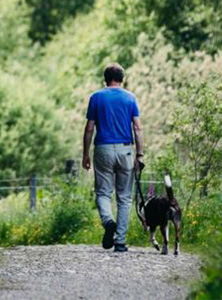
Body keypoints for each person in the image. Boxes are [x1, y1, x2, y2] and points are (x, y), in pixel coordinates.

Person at [82, 63, 144, 252]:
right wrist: (140, 154)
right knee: (124, 198)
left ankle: (109, 221)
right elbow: (137, 128)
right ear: (122, 78)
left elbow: (90, 128)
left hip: (103, 149)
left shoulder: (96, 97)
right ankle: (120, 242)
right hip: (126, 150)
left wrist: (85, 154)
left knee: (103, 193)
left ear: (105, 78)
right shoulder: (130, 98)